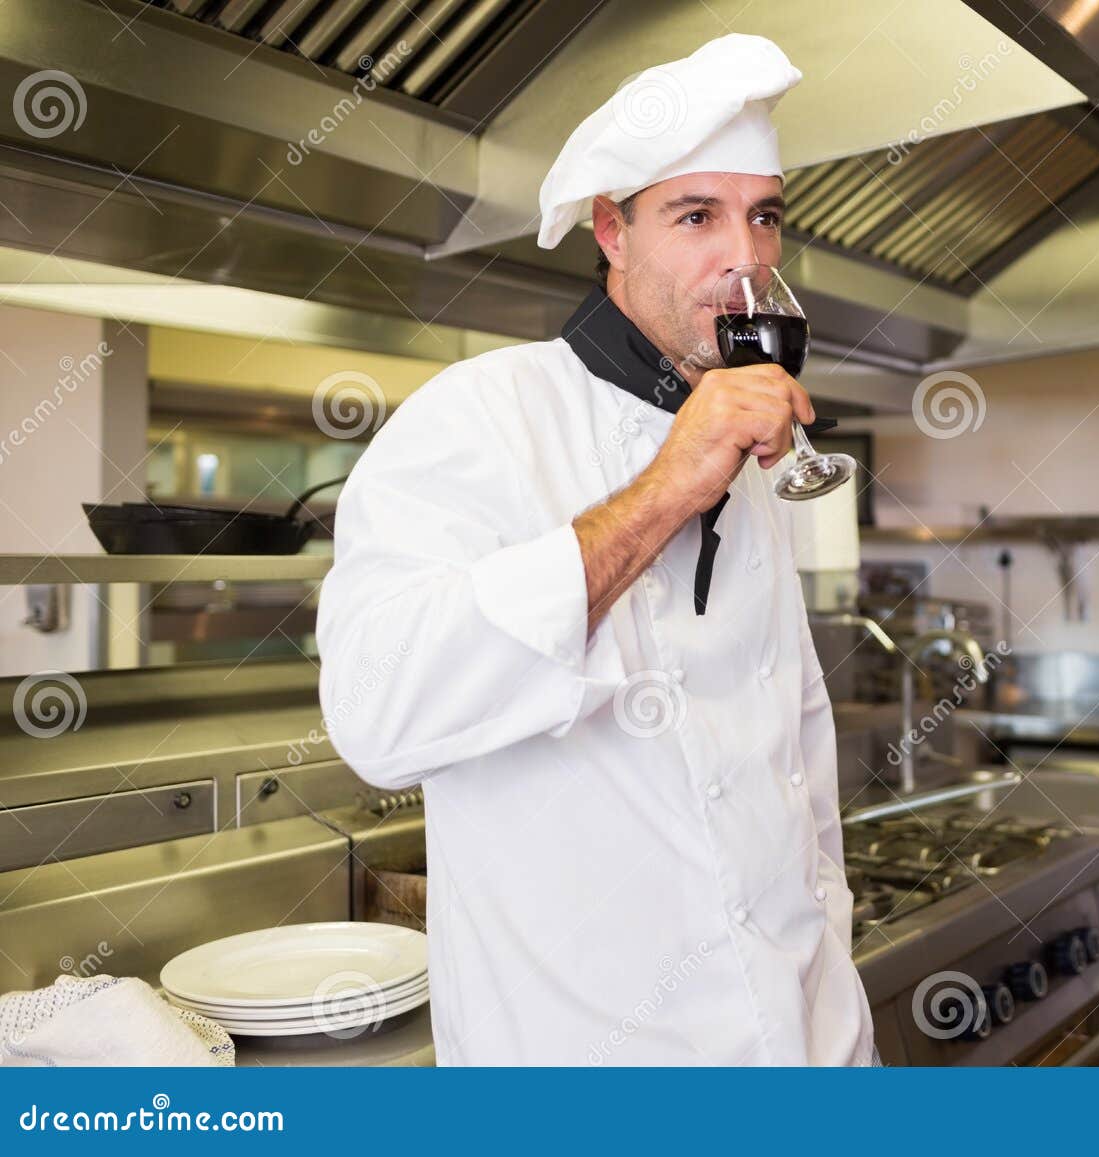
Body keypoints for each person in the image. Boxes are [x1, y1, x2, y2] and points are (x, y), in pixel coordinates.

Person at [315, 33, 876, 1066]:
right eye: (696, 215)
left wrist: (838, 1012)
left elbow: (795, 758)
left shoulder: (753, 468)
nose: (744, 259)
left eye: (763, 216)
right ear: (612, 230)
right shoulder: (479, 415)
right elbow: (377, 716)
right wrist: (665, 488)